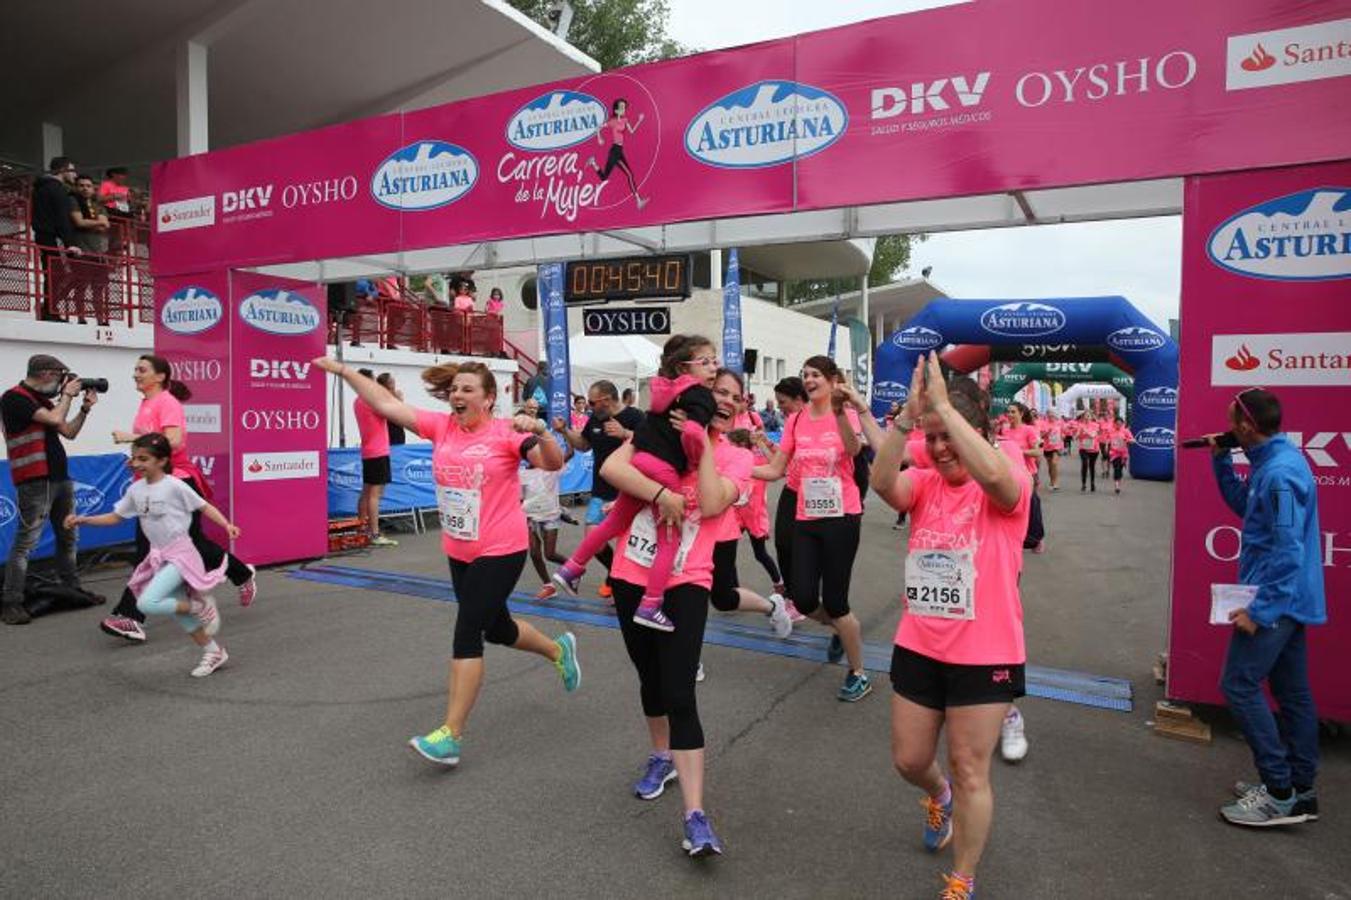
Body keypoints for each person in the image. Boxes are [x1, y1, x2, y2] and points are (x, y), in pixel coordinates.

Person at [316, 356, 579, 767]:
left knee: (468, 631)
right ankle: (558, 650)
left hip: (500, 549)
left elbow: (552, 462)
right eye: (454, 388)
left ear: (489, 399)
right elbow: (386, 407)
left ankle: (451, 734)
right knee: (498, 628)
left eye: (467, 389)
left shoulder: (506, 432)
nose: (457, 394)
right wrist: (346, 372)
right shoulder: (441, 427)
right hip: (460, 549)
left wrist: (542, 431)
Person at [871, 352, 1031, 900]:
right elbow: (880, 481)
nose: (940, 449)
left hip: (985, 651)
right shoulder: (924, 485)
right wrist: (906, 419)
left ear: (976, 434)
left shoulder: (1009, 482)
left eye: (950, 437)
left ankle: (962, 878)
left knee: (970, 768)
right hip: (920, 644)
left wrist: (942, 403)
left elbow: (996, 478)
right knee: (910, 759)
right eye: (932, 438)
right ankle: (935, 795)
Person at [600, 387, 744, 857]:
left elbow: (712, 501)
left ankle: (695, 815)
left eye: (733, 398)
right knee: (651, 680)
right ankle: (661, 756)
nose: (725, 401)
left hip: (687, 580)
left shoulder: (737, 458)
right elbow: (611, 469)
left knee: (680, 692)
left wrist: (701, 447)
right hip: (630, 573)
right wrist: (661, 490)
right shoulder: (655, 432)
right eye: (717, 393)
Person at [1209, 388, 1325, 828]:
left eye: (1230, 421)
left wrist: (1261, 611)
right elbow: (1245, 509)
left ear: (1247, 426)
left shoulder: (1279, 474)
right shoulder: (1270, 467)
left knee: (1238, 684)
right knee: (1293, 694)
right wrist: (1221, 459)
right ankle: (1301, 790)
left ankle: (1279, 792)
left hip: (1278, 601)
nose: (1227, 428)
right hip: (1286, 600)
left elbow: (1289, 550)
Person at [548, 335, 719, 632]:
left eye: (715, 361)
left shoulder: (663, 394)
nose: (713, 367)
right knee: (670, 539)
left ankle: (572, 568)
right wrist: (695, 450)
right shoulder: (702, 395)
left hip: (640, 463)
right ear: (683, 368)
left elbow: (646, 432)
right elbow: (693, 435)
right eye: (705, 362)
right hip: (665, 471)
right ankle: (651, 604)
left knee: (614, 523)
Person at [100, 355, 258, 642]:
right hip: (152, 484)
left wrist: (130, 438)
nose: (135, 374)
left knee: (154, 550)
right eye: (135, 369)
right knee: (185, 546)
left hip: (177, 483)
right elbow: (155, 446)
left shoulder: (167, 402)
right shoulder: (147, 403)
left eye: (142, 370)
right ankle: (241, 574)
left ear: (160, 376)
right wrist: (138, 460)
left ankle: (130, 616)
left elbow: (173, 441)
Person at [69, 434, 239, 676]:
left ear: (161, 461)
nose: (136, 463)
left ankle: (198, 605)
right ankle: (214, 652)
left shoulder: (175, 486)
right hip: (158, 556)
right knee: (182, 616)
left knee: (148, 602)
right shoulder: (135, 489)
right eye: (134, 458)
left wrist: (227, 525)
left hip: (181, 555)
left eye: (143, 458)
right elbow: (116, 517)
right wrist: (84, 520)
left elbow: (203, 506)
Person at [754, 357, 872, 701]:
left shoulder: (847, 415)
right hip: (806, 517)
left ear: (833, 380)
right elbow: (777, 469)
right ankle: (840, 628)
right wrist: (735, 468)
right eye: (805, 375)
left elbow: (853, 450)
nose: (808, 379)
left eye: (815, 374)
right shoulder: (795, 420)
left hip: (842, 517)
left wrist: (838, 412)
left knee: (836, 600)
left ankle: (858, 672)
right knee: (803, 597)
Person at [1, 355, 98, 625]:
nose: (61, 383)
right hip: (35, 480)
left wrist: (85, 410)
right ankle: (11, 602)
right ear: (45, 374)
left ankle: (73, 590)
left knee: (68, 536)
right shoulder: (14, 398)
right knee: (26, 542)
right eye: (59, 376)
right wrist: (67, 396)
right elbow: (57, 417)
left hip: (59, 477)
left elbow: (68, 431)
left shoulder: (41, 401)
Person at [710, 376, 791, 639]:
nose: (731, 403)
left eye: (736, 398)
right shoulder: (707, 442)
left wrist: (761, 444)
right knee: (695, 592)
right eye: (722, 393)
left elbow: (776, 470)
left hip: (743, 513)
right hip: (709, 525)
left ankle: (775, 594)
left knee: (758, 555)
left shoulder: (743, 455)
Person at [548, 380, 644, 600]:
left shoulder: (636, 417)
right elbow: (583, 444)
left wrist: (626, 434)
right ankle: (614, 573)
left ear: (607, 400)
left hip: (628, 491)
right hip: (601, 491)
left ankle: (627, 585)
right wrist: (564, 431)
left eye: (592, 402)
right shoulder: (596, 418)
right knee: (594, 540)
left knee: (627, 543)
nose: (589, 406)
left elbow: (651, 445)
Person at [521, 401, 574, 584]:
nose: (534, 454)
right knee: (534, 554)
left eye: (538, 450)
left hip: (550, 515)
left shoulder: (552, 467)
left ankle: (573, 568)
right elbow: (519, 498)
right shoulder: (523, 473)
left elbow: (570, 453)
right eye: (530, 452)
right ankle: (547, 584)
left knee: (549, 554)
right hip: (530, 517)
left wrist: (564, 432)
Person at [770, 376, 809, 621]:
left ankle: (801, 599)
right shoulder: (791, 422)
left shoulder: (818, 420)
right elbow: (780, 464)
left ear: (798, 399)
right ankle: (792, 595)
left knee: (803, 548)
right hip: (791, 489)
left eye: (783, 402)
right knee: (783, 543)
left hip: (815, 494)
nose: (780, 407)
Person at [30, 157, 83, 320]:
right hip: (54, 238)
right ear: (63, 170)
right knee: (59, 274)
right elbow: (62, 219)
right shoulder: (57, 189)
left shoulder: (40, 188)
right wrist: (70, 243)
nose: (75, 175)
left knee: (52, 273)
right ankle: (49, 310)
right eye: (72, 170)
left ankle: (48, 309)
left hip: (42, 235)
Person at [355, 368, 397, 547]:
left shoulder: (358, 400)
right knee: (375, 495)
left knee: (366, 492)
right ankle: (374, 533)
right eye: (372, 380)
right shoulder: (370, 400)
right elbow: (394, 410)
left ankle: (362, 528)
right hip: (378, 451)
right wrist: (392, 393)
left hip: (368, 451)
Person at [588, 98, 648, 210]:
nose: (623, 109)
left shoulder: (625, 120)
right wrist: (599, 138)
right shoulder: (612, 121)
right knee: (629, 175)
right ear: (616, 111)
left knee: (604, 177)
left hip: (619, 150)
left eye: (624, 107)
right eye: (621, 108)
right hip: (615, 151)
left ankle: (593, 162)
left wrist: (639, 120)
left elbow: (632, 131)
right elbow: (598, 127)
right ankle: (638, 201)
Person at [68, 175, 111, 325]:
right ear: (76, 187)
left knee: (98, 289)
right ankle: (81, 317)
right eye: (81, 185)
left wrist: (89, 223)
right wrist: (97, 223)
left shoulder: (98, 206)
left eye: (88, 185)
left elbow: (106, 225)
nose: (85, 188)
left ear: (93, 189)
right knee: (81, 286)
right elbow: (79, 222)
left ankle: (100, 319)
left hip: (98, 254)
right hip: (81, 252)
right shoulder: (72, 201)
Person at [1006, 402, 1045, 553]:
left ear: (1021, 413)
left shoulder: (1029, 430)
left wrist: (1018, 451)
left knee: (1031, 506)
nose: (1010, 415)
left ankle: (1038, 538)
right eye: (1008, 412)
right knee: (1012, 507)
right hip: (1010, 474)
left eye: (1013, 412)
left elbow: (1038, 453)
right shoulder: (1004, 431)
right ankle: (1016, 537)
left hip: (1028, 474)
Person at [377, 373, 407, 447]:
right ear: (387, 383)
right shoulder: (383, 396)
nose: (394, 382)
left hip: (398, 428)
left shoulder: (396, 394)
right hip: (389, 428)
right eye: (391, 380)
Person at [1106, 416, 1134, 494]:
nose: (1118, 425)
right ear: (1114, 424)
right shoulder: (1111, 431)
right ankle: (1116, 485)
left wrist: (1127, 440)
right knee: (1116, 468)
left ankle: (1118, 482)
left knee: (1120, 470)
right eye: (1117, 424)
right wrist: (1106, 444)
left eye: (1120, 424)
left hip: (1123, 454)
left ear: (1122, 424)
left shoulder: (1126, 431)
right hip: (1114, 453)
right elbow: (1107, 439)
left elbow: (1133, 440)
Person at [1040, 410, 1065, 491]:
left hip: (1057, 446)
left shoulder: (1059, 423)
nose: (1051, 417)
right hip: (1047, 447)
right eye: (1049, 415)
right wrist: (1047, 433)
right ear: (1047, 416)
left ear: (1055, 415)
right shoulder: (1044, 424)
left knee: (1054, 463)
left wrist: (1063, 436)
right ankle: (1052, 480)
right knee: (1050, 466)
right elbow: (1041, 436)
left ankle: (1056, 482)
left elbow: (1064, 433)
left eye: (1053, 415)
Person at [1076, 412, 1100, 492]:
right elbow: (1077, 436)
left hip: (1094, 448)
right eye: (1085, 416)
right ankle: (1083, 484)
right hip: (1083, 448)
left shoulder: (1095, 425)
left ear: (1091, 417)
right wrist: (1078, 435)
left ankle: (1092, 483)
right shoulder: (1080, 425)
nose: (1087, 417)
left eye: (1088, 416)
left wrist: (1086, 431)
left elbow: (1093, 435)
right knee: (1085, 464)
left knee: (1092, 466)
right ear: (1083, 417)